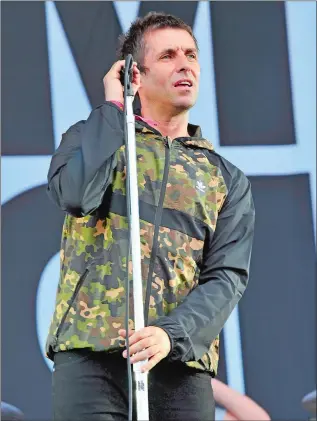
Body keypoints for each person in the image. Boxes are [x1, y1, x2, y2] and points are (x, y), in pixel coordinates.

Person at [46, 11, 255, 421]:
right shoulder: (92, 135)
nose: (185, 65)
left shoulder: (224, 177)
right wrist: (113, 107)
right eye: (168, 56)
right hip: (90, 356)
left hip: (178, 364)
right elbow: (75, 195)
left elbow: (227, 277)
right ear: (134, 74)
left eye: (191, 55)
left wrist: (170, 334)